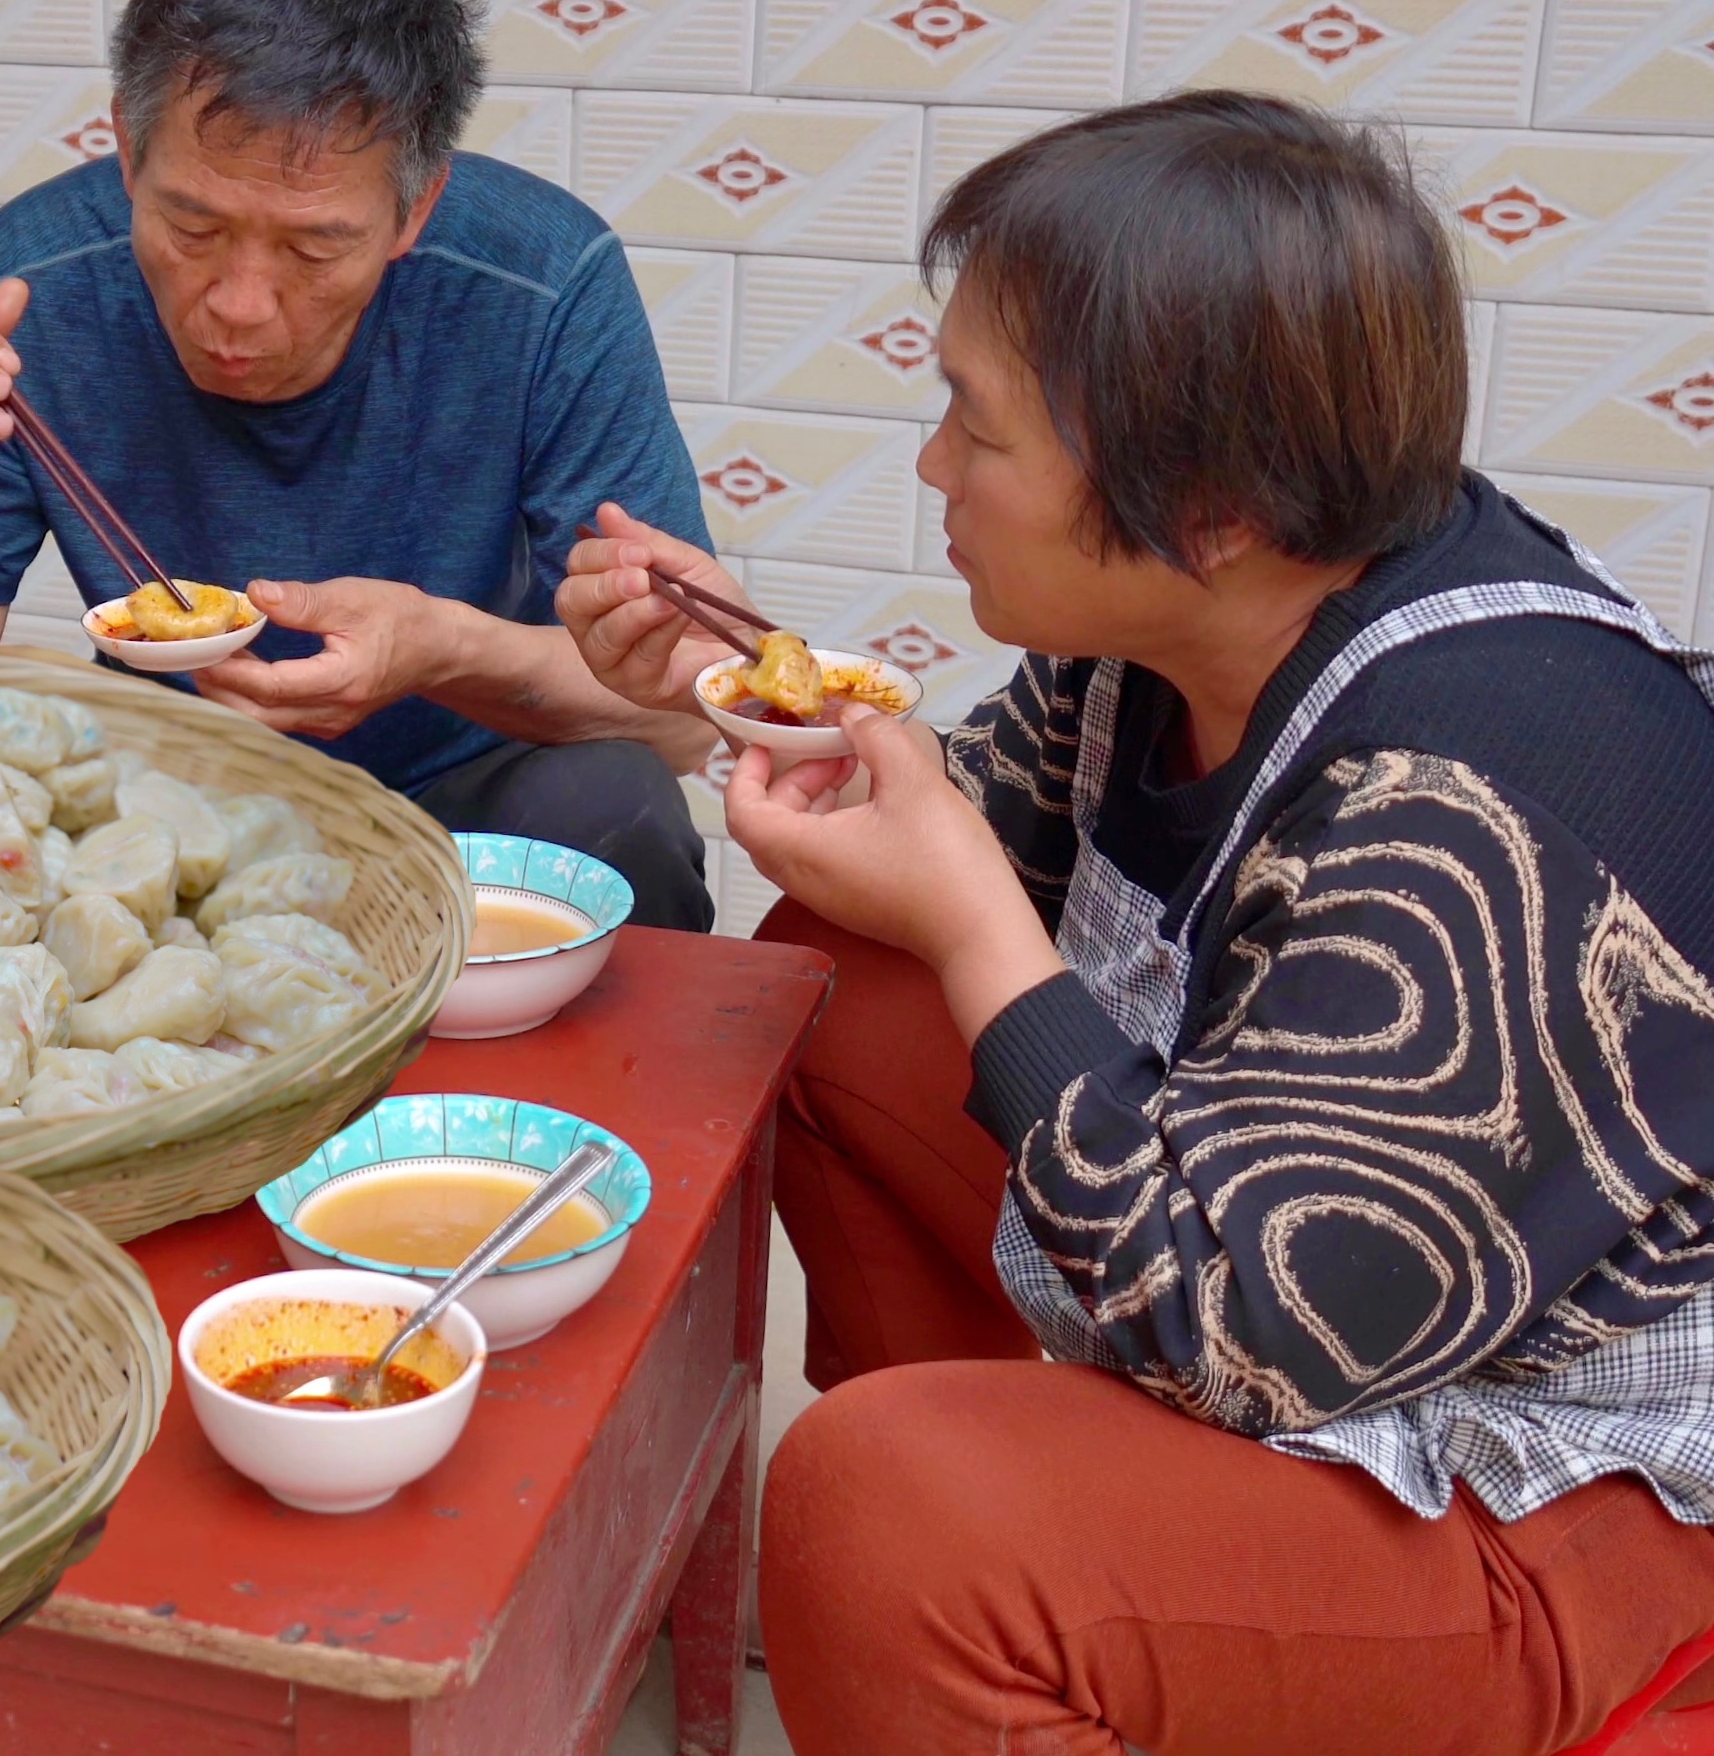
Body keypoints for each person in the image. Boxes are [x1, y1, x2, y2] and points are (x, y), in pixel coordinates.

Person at [558, 92, 1714, 1753]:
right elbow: (949, 822)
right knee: (828, 986)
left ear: (1211, 506)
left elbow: (1258, 1329)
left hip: (1563, 1483)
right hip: (1291, 1278)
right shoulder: (1183, 629)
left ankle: (979, 1574)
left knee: (886, 1520)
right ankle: (1031, 1558)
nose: (929, 465)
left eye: (975, 424)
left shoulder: (1481, 806)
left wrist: (963, 916)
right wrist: (719, 693)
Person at [0, 0, 720, 931]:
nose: (241, 303)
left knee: (614, 803)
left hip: (466, 794)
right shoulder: (36, 278)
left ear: (412, 208)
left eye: (313, 247)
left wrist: (442, 649)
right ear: (124, 141)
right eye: (191, 227)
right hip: (166, 792)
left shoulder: (541, 284)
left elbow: (678, 727)